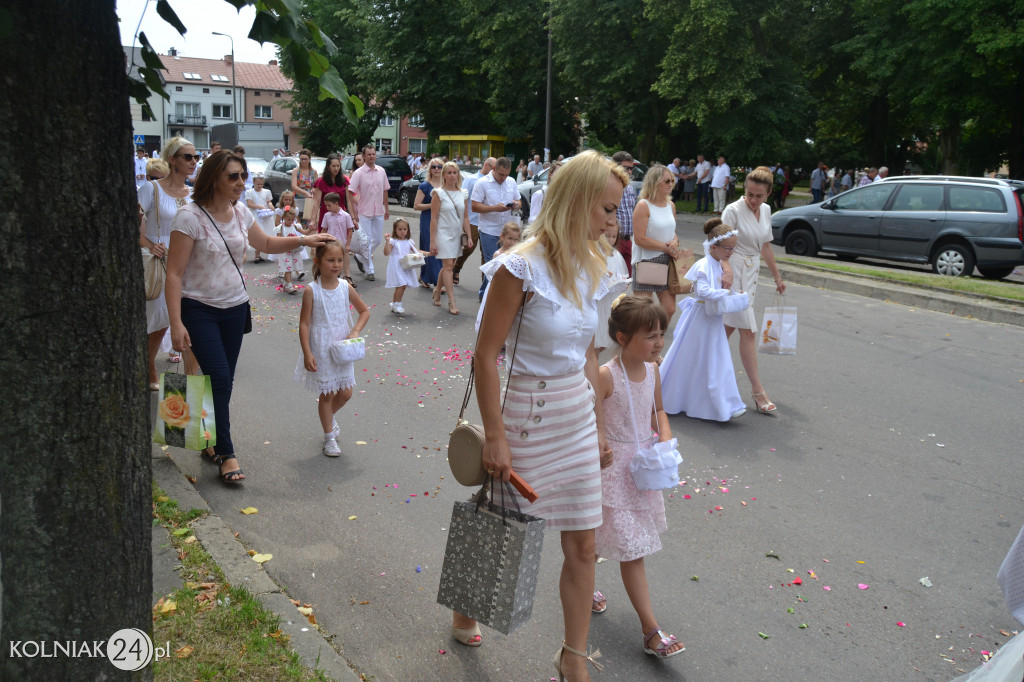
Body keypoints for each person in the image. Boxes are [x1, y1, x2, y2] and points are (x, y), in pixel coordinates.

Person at [451, 150, 623, 682]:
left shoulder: (592, 265)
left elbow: (590, 354)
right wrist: (495, 438)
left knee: (584, 541)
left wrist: (598, 424)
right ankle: (465, 606)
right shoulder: (518, 266)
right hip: (526, 413)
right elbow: (485, 355)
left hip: (574, 412)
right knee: (500, 529)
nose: (611, 222)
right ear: (577, 203)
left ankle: (573, 657)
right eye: (607, 209)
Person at [166, 151, 336, 483]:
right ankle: (227, 454)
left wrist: (303, 239)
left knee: (221, 384)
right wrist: (176, 323)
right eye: (233, 176)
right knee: (219, 379)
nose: (241, 182)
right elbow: (174, 273)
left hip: (234, 308)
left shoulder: (240, 211)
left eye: (243, 176)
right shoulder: (189, 217)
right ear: (213, 177)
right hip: (198, 310)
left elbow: (268, 242)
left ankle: (210, 442)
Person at [593, 295, 685, 659]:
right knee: (620, 547)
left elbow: (658, 409)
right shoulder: (604, 375)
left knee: (622, 545)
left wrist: (663, 436)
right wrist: (599, 445)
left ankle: (644, 626)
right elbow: (591, 419)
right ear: (621, 336)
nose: (659, 342)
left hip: (642, 473)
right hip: (612, 474)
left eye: (661, 334)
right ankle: (650, 629)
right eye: (650, 336)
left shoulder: (654, 370)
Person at [659, 220, 749, 421]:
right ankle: (680, 397)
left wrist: (735, 294)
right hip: (700, 319)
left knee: (715, 359)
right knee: (695, 357)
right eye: (728, 248)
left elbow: (719, 288)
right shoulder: (703, 265)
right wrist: (724, 293)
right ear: (713, 247)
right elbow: (702, 291)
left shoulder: (718, 265)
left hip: (712, 319)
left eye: (733, 248)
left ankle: (725, 403)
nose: (731, 253)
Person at [295, 240, 370, 457]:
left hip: (342, 348)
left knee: (346, 393)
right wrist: (308, 352)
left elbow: (364, 311)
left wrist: (355, 330)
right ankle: (329, 438)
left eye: (339, 260)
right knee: (327, 395)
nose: (336, 264)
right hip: (321, 348)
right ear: (318, 261)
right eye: (330, 260)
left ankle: (328, 417)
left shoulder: (345, 287)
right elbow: (304, 324)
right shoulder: (312, 290)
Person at [720, 167, 785, 414]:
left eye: (758, 195)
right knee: (748, 330)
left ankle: (696, 370)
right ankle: (758, 391)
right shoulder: (733, 210)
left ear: (768, 194)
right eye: (749, 194)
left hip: (752, 273)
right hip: (733, 272)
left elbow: (765, 246)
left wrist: (777, 277)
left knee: (723, 329)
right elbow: (719, 245)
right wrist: (726, 271)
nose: (753, 200)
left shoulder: (766, 211)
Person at [138, 136, 198, 389]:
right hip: (162, 263)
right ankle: (149, 363)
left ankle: (188, 391)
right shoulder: (151, 189)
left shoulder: (194, 194)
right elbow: (131, 226)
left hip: (189, 263)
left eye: (195, 157)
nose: (193, 162)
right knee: (162, 320)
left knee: (191, 325)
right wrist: (152, 245)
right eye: (187, 157)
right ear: (172, 160)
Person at [632, 164, 683, 319]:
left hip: (667, 261)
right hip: (647, 260)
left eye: (672, 181)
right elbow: (640, 238)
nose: (670, 184)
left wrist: (675, 241)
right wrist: (665, 247)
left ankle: (656, 337)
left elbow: (672, 232)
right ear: (654, 182)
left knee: (669, 308)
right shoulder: (643, 205)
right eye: (666, 181)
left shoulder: (670, 205)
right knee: (642, 311)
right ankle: (641, 339)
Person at [471, 157, 521, 302]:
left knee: (506, 264)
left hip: (507, 232)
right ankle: (487, 296)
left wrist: (516, 205)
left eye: (506, 174)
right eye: (500, 175)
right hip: (489, 230)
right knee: (492, 265)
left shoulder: (511, 181)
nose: (503, 178)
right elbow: (474, 206)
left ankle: (489, 293)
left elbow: (519, 201)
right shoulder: (482, 183)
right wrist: (495, 208)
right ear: (493, 169)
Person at [430, 161, 473, 315]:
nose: (452, 175)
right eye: (449, 172)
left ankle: (436, 290)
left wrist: (468, 236)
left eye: (455, 172)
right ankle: (451, 301)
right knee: (449, 266)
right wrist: (432, 240)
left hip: (456, 234)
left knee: (448, 265)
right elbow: (433, 218)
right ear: (444, 175)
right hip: (442, 233)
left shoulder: (463, 193)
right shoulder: (438, 193)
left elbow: (466, 217)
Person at [347, 145, 390, 281]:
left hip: (378, 211)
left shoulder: (381, 171)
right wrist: (354, 210)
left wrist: (387, 208)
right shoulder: (358, 173)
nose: (372, 156)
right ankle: (369, 270)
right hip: (364, 211)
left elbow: (385, 190)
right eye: (369, 154)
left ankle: (359, 256)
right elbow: (350, 191)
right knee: (366, 241)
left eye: (373, 154)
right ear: (364, 156)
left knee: (377, 239)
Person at [453, 157, 496, 285]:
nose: (495, 171)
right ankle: (456, 268)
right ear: (486, 165)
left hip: (487, 222)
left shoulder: (493, 182)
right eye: (493, 168)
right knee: (468, 249)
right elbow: (462, 199)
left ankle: (485, 282)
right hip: (472, 220)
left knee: (487, 253)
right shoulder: (472, 180)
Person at [594, 221, 630, 358]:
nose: (610, 240)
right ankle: (592, 369)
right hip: (599, 303)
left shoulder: (615, 254)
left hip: (609, 301)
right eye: (607, 236)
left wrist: (622, 282)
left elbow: (620, 274)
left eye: (614, 236)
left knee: (605, 337)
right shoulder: (594, 254)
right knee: (596, 340)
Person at [383, 218, 424, 315]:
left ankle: (394, 304)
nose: (402, 231)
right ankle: (398, 304)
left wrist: (429, 253)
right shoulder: (393, 241)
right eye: (399, 229)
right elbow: (386, 253)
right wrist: (387, 241)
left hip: (405, 266)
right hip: (396, 265)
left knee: (399, 285)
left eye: (404, 229)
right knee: (402, 284)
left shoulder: (409, 241)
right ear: (395, 230)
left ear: (408, 230)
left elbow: (417, 251)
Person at [415, 159, 444, 288]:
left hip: (443, 220)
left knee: (442, 249)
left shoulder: (446, 185)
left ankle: (424, 277)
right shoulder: (425, 186)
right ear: (430, 169)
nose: (437, 169)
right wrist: (432, 205)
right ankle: (438, 281)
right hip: (428, 219)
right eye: (434, 167)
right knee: (431, 248)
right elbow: (416, 205)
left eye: (439, 166)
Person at [321, 192, 356, 287]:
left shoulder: (345, 215)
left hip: (342, 242)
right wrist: (321, 240)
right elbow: (324, 229)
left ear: (336, 203)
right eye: (326, 205)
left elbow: (350, 230)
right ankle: (334, 277)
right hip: (330, 242)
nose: (327, 207)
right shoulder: (327, 216)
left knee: (344, 257)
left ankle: (347, 275)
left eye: (329, 205)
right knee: (332, 260)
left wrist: (348, 244)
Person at [311, 153, 349, 234]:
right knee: (325, 243)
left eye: (338, 166)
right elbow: (316, 202)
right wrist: (313, 220)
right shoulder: (321, 181)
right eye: (333, 166)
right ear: (328, 167)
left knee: (340, 242)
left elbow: (348, 201)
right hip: (326, 216)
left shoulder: (344, 180)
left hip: (341, 217)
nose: (336, 168)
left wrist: (353, 217)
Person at [612, 152, 637, 276]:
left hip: (628, 239)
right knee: (613, 277)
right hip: (613, 239)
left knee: (627, 277)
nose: (629, 171)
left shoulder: (630, 188)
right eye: (626, 168)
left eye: (631, 168)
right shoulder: (609, 186)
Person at [276, 208, 312, 294]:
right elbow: (278, 239)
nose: (291, 221)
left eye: (292, 220)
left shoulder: (295, 226)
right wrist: (287, 238)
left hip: (294, 250)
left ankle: (286, 283)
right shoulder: (280, 228)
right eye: (289, 219)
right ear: (284, 218)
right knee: (288, 267)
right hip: (285, 250)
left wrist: (310, 229)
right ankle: (289, 285)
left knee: (292, 266)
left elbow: (305, 232)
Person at [245, 174, 275, 263]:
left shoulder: (266, 191)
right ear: (254, 182)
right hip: (256, 215)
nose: (260, 186)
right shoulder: (249, 192)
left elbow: (268, 201)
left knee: (267, 232)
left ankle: (271, 254)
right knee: (258, 233)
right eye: (258, 184)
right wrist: (260, 206)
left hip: (265, 215)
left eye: (262, 184)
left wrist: (270, 205)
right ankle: (257, 255)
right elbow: (249, 204)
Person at [527, 160, 561, 224]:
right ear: (550, 175)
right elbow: (532, 220)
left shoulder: (564, 196)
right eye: (558, 174)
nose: (561, 177)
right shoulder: (540, 194)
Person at [291, 149, 319, 225]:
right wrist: (306, 193)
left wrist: (314, 190)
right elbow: (294, 186)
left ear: (309, 159)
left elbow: (317, 186)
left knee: (308, 221)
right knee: (298, 222)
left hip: (310, 200)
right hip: (298, 199)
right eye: (302, 159)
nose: (303, 161)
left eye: (305, 159)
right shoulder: (296, 171)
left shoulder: (314, 172)